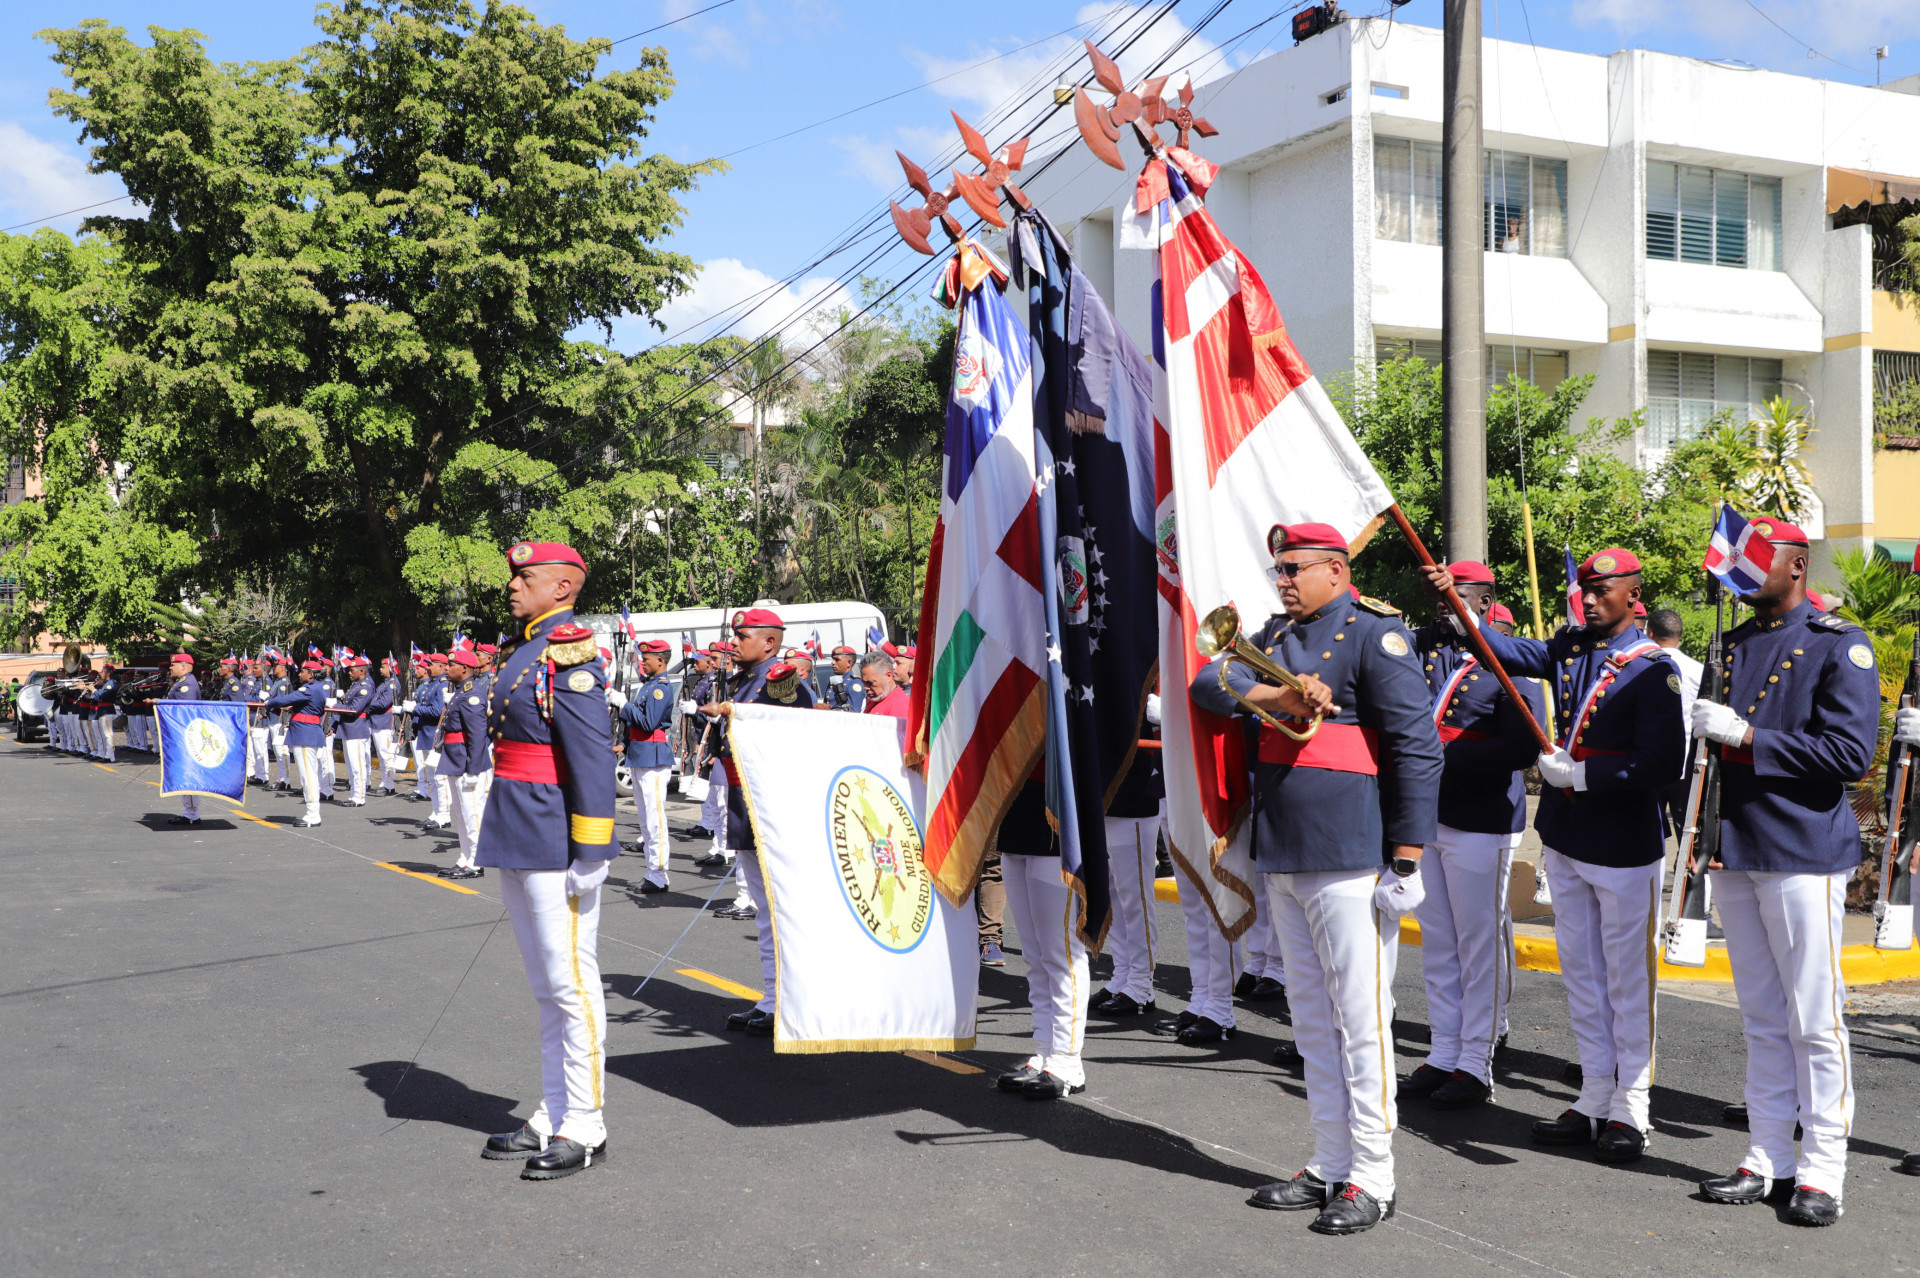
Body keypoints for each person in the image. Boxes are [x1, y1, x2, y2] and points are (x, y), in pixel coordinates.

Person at [1193, 522, 1441, 1235]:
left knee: (1360, 1020)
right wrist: (1280, 700)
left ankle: (1373, 1175)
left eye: (1294, 568)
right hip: (1285, 848)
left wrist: (1407, 854)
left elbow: (1417, 746)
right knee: (1310, 1021)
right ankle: (1331, 1161)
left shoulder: (1374, 635)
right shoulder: (1273, 635)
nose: (1283, 581)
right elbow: (1208, 682)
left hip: (1348, 851)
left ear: (1336, 569)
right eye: (1278, 570)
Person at [1426, 548, 1685, 1165]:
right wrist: (1458, 603)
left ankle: (1631, 1108)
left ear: (1633, 595)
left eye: (1602, 591)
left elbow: (1662, 763)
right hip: (1567, 835)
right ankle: (1593, 1095)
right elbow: (1502, 649)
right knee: (1584, 977)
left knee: (1627, 980)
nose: (1588, 600)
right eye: (1584, 590)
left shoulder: (1653, 670)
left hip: (1622, 841)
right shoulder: (1569, 648)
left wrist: (1586, 776)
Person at [1691, 519, 1875, 1226]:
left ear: (1796, 566)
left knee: (1813, 1018)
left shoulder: (1838, 643)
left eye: (1757, 558)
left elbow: (1849, 755)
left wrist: (1747, 736)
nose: (1740, 570)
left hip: (1801, 850)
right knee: (1764, 1016)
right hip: (1737, 846)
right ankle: (1768, 1155)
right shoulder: (1732, 645)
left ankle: (1823, 1168)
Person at [474, 540, 619, 1179]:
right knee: (544, 987)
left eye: (525, 576)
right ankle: (553, 1110)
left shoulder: (569, 651)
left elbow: (589, 755)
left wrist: (591, 848)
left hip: (556, 834)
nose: (513, 584)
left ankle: (585, 1123)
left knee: (571, 983)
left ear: (562, 587)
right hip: (519, 824)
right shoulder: (528, 648)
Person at [1400, 561, 1546, 1111]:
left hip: (1480, 818)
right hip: (1428, 816)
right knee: (1438, 941)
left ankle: (1475, 1063)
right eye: (1440, 597)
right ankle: (1443, 1051)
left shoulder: (1506, 662)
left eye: (1457, 596)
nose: (1445, 605)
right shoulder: (1429, 653)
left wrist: (1443, 757)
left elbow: (1522, 746)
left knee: (1477, 946)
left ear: (1484, 602)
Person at [701, 609, 815, 1033]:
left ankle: (789, 999)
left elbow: (789, 733)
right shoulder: (745, 680)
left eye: (742, 636)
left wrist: (731, 715)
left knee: (779, 908)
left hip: (769, 802)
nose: (733, 642)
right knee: (765, 911)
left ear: (769, 642)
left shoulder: (780, 682)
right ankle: (772, 997)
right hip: (744, 797)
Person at [990, 777, 1094, 1102]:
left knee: (1061, 954)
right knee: (1034, 957)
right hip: (1015, 821)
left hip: (1054, 827)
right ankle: (1046, 1051)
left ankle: (1067, 1060)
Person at [1092, 701, 1164, 1019]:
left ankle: (1142, 984)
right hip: (1105, 786)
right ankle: (1123, 973)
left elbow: (1160, 711)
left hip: (1135, 787)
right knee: (1113, 892)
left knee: (1135, 895)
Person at [612, 638, 675, 895]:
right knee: (645, 819)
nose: (642, 663)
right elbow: (636, 725)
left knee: (654, 819)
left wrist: (624, 704)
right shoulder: (648, 686)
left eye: (646, 659)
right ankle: (653, 872)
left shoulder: (660, 688)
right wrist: (624, 744)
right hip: (641, 756)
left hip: (653, 758)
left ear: (660, 660)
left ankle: (658, 874)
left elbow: (648, 723)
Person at [437, 649, 489, 878]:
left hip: (467, 762)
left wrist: (473, 769)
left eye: (451, 665)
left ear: (465, 668)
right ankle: (465, 858)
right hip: (455, 758)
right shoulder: (461, 692)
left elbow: (477, 735)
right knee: (461, 814)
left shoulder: (472, 694)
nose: (447, 669)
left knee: (472, 813)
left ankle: (476, 862)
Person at [265, 661, 331, 827]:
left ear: (311, 674)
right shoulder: (316, 688)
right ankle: (312, 812)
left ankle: (313, 815)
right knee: (308, 775)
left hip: (305, 735)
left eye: (303, 671)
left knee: (308, 776)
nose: (300, 674)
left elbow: (287, 698)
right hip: (306, 733)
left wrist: (269, 702)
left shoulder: (310, 688)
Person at [164, 655, 203, 826]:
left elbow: (183, 711)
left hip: (185, 734)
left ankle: (192, 813)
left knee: (189, 774)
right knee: (183, 773)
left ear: (183, 666)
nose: (170, 667)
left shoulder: (187, 684)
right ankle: (189, 811)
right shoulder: (182, 682)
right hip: (181, 734)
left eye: (173, 665)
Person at [334, 652, 375, 806]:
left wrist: (335, 706)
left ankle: (359, 796)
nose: (349, 673)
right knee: (351, 766)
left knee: (358, 766)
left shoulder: (365, 687)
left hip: (357, 729)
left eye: (352, 670)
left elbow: (353, 709)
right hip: (349, 729)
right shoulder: (356, 685)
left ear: (362, 671)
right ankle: (354, 795)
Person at [369, 655, 403, 794]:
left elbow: (383, 703)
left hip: (385, 722)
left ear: (390, 668)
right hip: (378, 721)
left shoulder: (393, 683)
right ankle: (385, 781)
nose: (380, 669)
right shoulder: (385, 683)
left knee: (387, 755)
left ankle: (389, 784)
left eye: (383, 667)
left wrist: (367, 704)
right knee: (382, 755)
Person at [263, 654, 295, 789]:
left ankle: (285, 780)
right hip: (274, 718)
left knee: (282, 751)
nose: (274, 668)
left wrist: (269, 701)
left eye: (276, 666)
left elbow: (283, 702)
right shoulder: (277, 681)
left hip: (280, 719)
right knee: (277, 750)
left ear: (282, 667)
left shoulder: (284, 683)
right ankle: (281, 778)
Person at [859, 651, 910, 719]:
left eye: (870, 683)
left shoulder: (899, 707)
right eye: (864, 683)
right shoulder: (876, 698)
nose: (865, 687)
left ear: (888, 676)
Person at [822, 645, 865, 712]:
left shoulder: (854, 683)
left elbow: (854, 712)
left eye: (837, 660)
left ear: (849, 663)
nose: (833, 662)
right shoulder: (834, 681)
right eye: (833, 659)